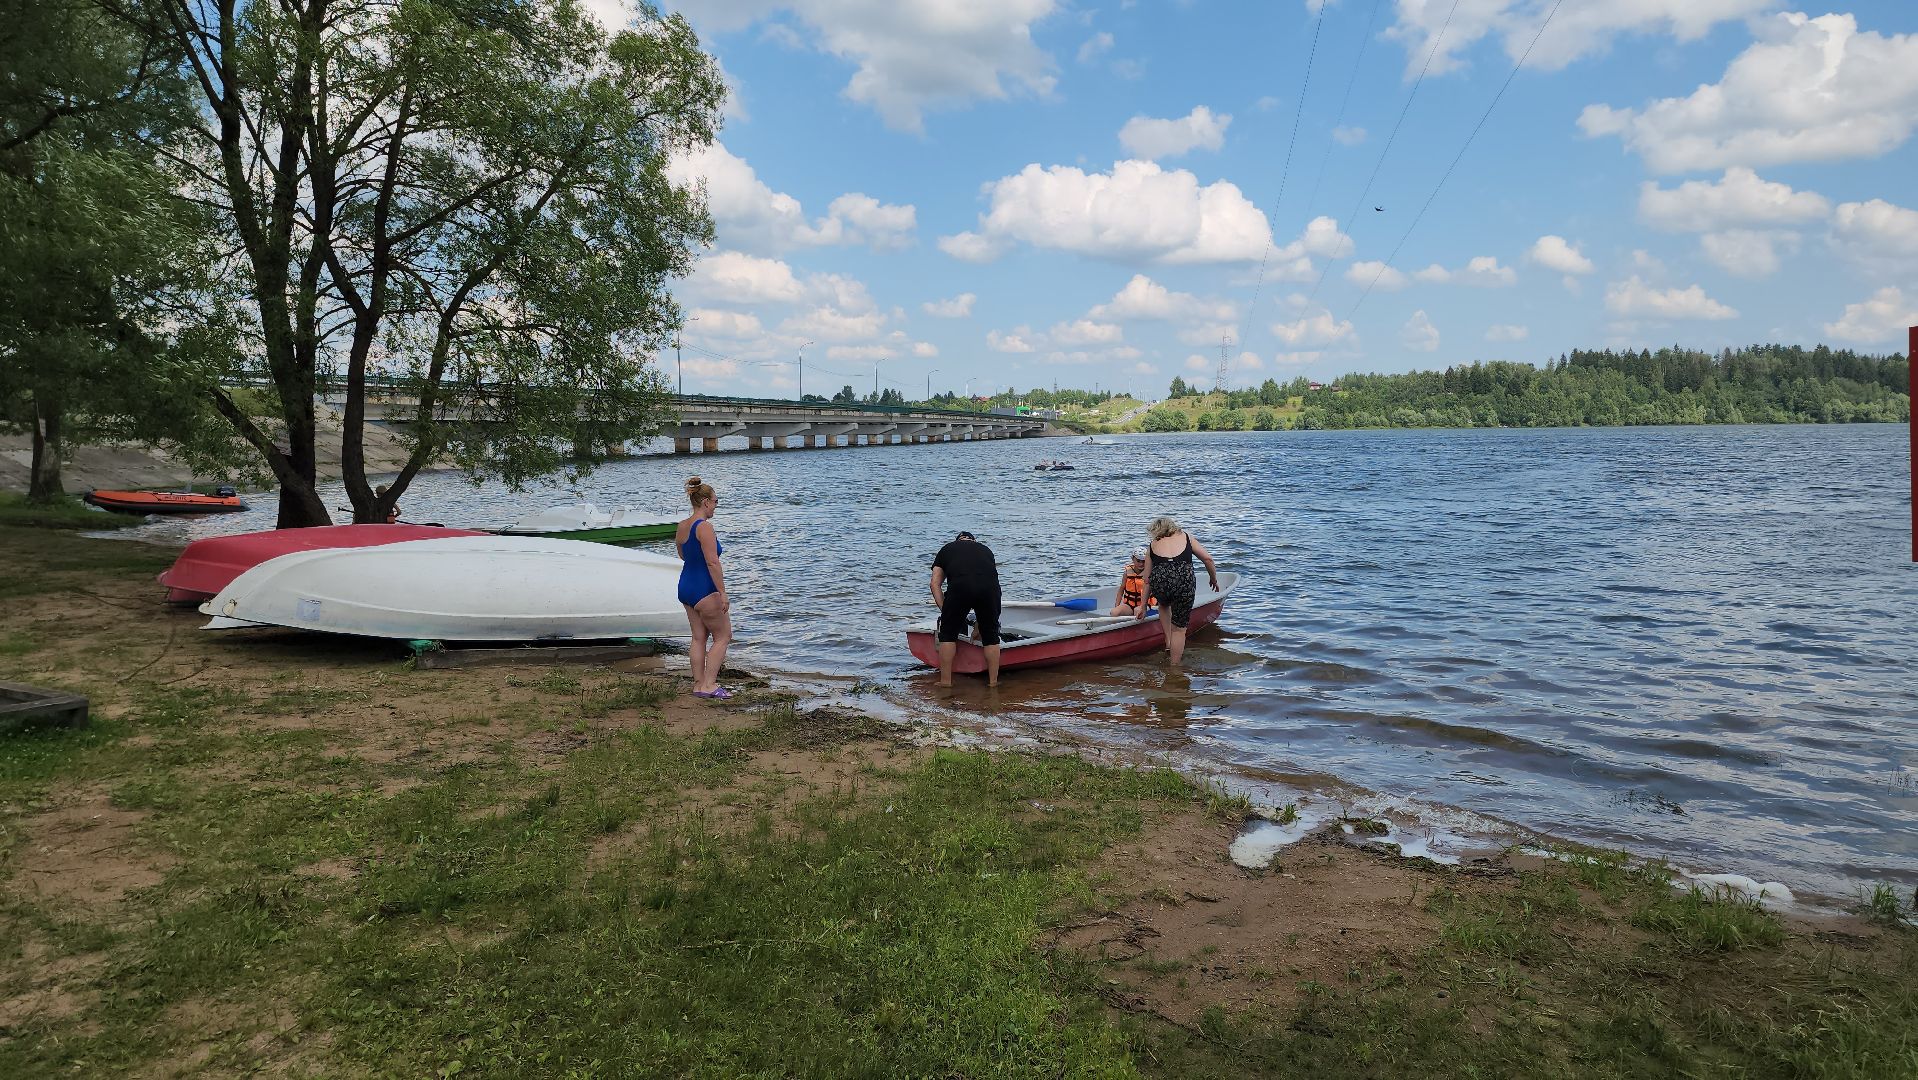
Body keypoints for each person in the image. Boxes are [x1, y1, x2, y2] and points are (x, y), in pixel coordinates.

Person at [676, 476, 732, 699]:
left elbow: (682, 555)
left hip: (686, 585)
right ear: (706, 502)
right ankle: (709, 685)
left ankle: (698, 685)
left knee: (698, 636)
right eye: (716, 502)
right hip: (704, 587)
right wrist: (723, 593)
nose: (716, 506)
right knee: (723, 636)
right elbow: (712, 562)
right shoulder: (705, 527)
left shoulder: (682, 526)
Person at [1137, 516, 1220, 667]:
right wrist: (1213, 579)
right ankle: (1175, 666)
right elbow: (1207, 559)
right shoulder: (1187, 537)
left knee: (1163, 605)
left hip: (1161, 585)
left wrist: (1143, 605)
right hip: (1184, 584)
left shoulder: (1152, 545)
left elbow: (1147, 578)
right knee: (1179, 630)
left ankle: (1168, 642)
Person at [928, 530, 1002, 687]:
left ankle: (946, 682)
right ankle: (993, 682)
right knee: (991, 636)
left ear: (957, 541)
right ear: (974, 541)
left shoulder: (947, 549)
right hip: (990, 590)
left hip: (960, 588)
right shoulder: (986, 550)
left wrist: (946, 610)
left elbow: (935, 584)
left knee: (947, 634)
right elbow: (987, 581)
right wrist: (980, 623)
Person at [1109, 546, 1157, 617]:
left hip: (1146, 605)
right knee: (1114, 612)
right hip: (1129, 605)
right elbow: (1121, 590)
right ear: (1133, 559)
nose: (1141, 564)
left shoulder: (1149, 573)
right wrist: (1117, 606)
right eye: (1138, 561)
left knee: (1137, 611)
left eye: (1143, 561)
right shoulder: (1127, 573)